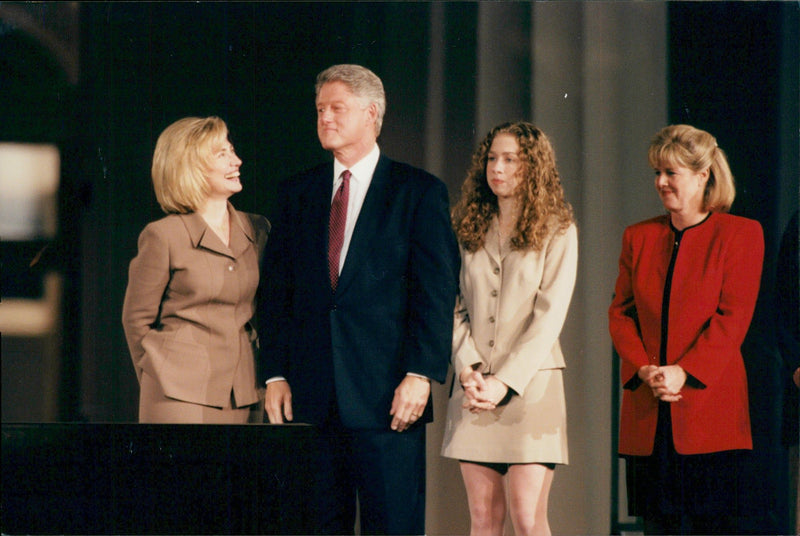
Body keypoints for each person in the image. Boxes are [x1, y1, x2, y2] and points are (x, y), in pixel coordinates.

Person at [258, 64, 459, 535]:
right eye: (320, 110)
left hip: (388, 397)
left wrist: (421, 374)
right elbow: (276, 292)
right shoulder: (296, 193)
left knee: (392, 526)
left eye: (337, 109)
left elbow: (436, 290)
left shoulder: (418, 192)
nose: (325, 118)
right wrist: (275, 372)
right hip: (311, 395)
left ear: (372, 114)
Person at [608, 124, 764, 534]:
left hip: (709, 417)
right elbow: (620, 313)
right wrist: (645, 369)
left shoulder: (741, 234)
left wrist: (683, 371)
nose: (660, 182)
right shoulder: (637, 237)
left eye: (670, 173)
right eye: (656, 172)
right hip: (648, 415)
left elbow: (733, 318)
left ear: (703, 175)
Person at [441, 122, 578, 536]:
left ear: (532, 167)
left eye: (510, 159)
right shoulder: (466, 225)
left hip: (530, 387)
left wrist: (504, 382)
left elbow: (549, 316)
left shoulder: (558, 229)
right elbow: (452, 306)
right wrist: (469, 369)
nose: (496, 168)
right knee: (483, 518)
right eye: (492, 158)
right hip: (474, 386)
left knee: (528, 517)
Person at [122, 116, 269, 424]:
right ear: (190, 167)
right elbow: (136, 319)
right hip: (177, 393)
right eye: (222, 154)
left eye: (232, 150)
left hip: (245, 389)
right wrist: (159, 375)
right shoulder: (163, 235)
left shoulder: (257, 229)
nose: (237, 160)